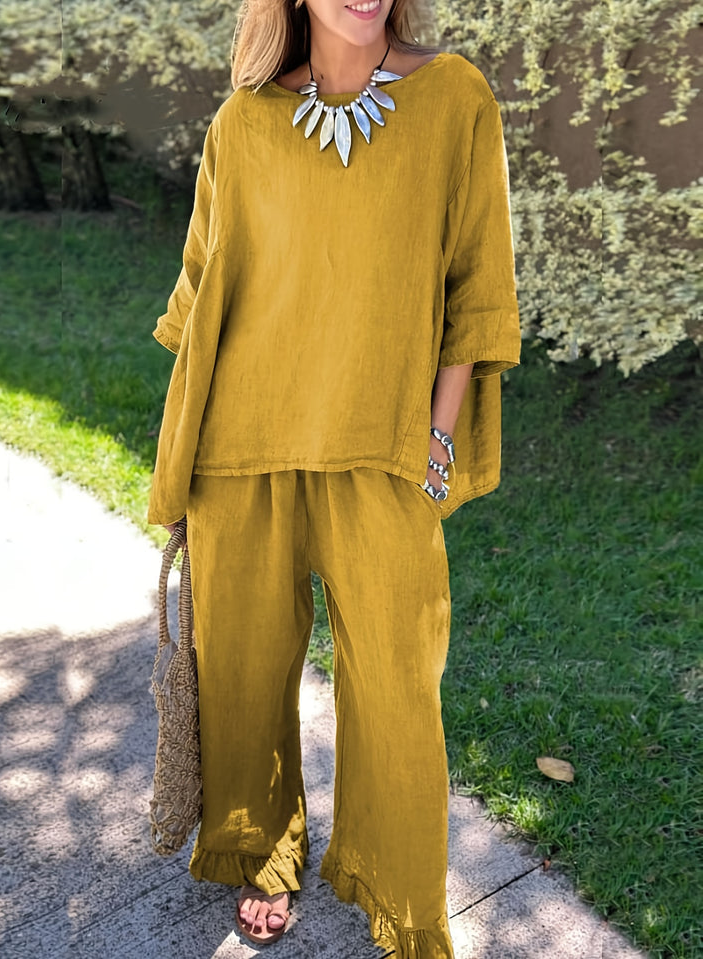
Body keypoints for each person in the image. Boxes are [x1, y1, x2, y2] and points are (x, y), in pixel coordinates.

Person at [148, 0, 520, 955]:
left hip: (385, 448)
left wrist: (436, 439)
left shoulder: (454, 98)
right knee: (241, 669)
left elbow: (477, 282)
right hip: (244, 444)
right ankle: (260, 849)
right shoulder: (242, 120)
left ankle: (396, 885)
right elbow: (204, 283)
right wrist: (185, 456)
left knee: (400, 682)